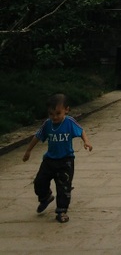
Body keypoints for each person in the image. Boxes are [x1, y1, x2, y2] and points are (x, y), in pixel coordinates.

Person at [23, 92, 93, 224]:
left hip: (65, 161)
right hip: (49, 160)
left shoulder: (69, 122)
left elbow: (81, 130)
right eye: (51, 114)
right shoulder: (47, 124)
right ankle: (45, 197)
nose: (54, 117)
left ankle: (61, 211)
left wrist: (86, 141)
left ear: (66, 110)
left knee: (64, 187)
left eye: (58, 113)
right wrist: (28, 151)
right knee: (39, 182)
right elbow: (37, 136)